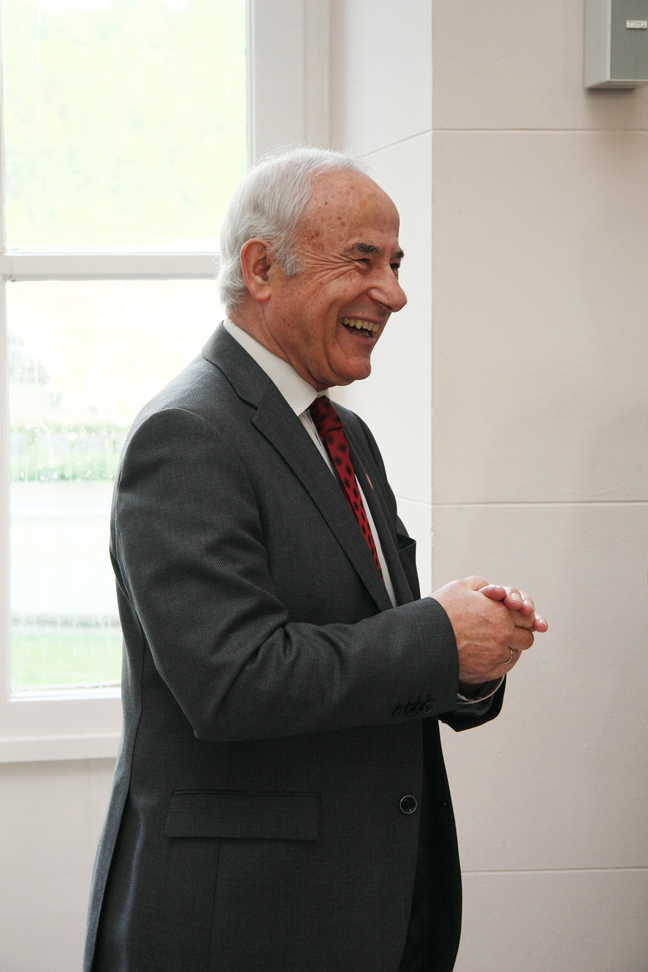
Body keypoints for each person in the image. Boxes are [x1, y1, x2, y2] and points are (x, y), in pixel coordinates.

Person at [85, 148, 547, 972]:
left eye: (396, 264)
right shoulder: (187, 434)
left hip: (372, 905)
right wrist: (439, 636)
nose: (394, 293)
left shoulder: (346, 434)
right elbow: (233, 681)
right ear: (261, 268)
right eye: (362, 260)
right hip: (244, 924)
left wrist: (471, 662)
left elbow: (373, 646)